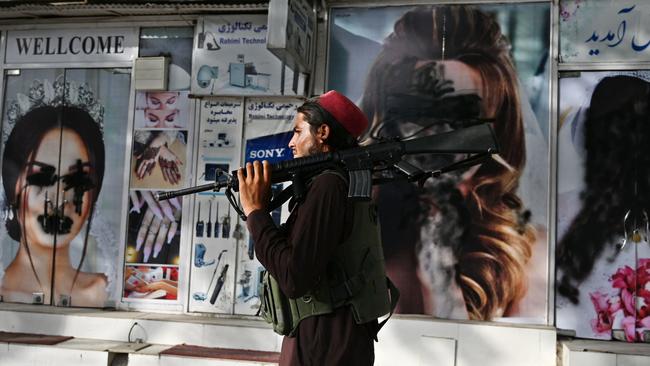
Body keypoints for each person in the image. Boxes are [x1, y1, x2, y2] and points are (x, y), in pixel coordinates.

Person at [360, 5, 540, 319]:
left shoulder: (521, 254)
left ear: (497, 125)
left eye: (461, 118)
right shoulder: (359, 216)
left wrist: (438, 274)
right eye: (415, 115)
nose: (435, 137)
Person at [238, 91, 394, 365]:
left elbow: (294, 277)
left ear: (322, 132)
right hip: (331, 339)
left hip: (323, 344)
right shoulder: (338, 181)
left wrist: (256, 213)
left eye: (298, 132)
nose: (291, 142)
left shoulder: (329, 185)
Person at [0, 100, 107, 307]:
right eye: (41, 178)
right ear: (13, 186)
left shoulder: (108, 291)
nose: (58, 201)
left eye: (78, 181)